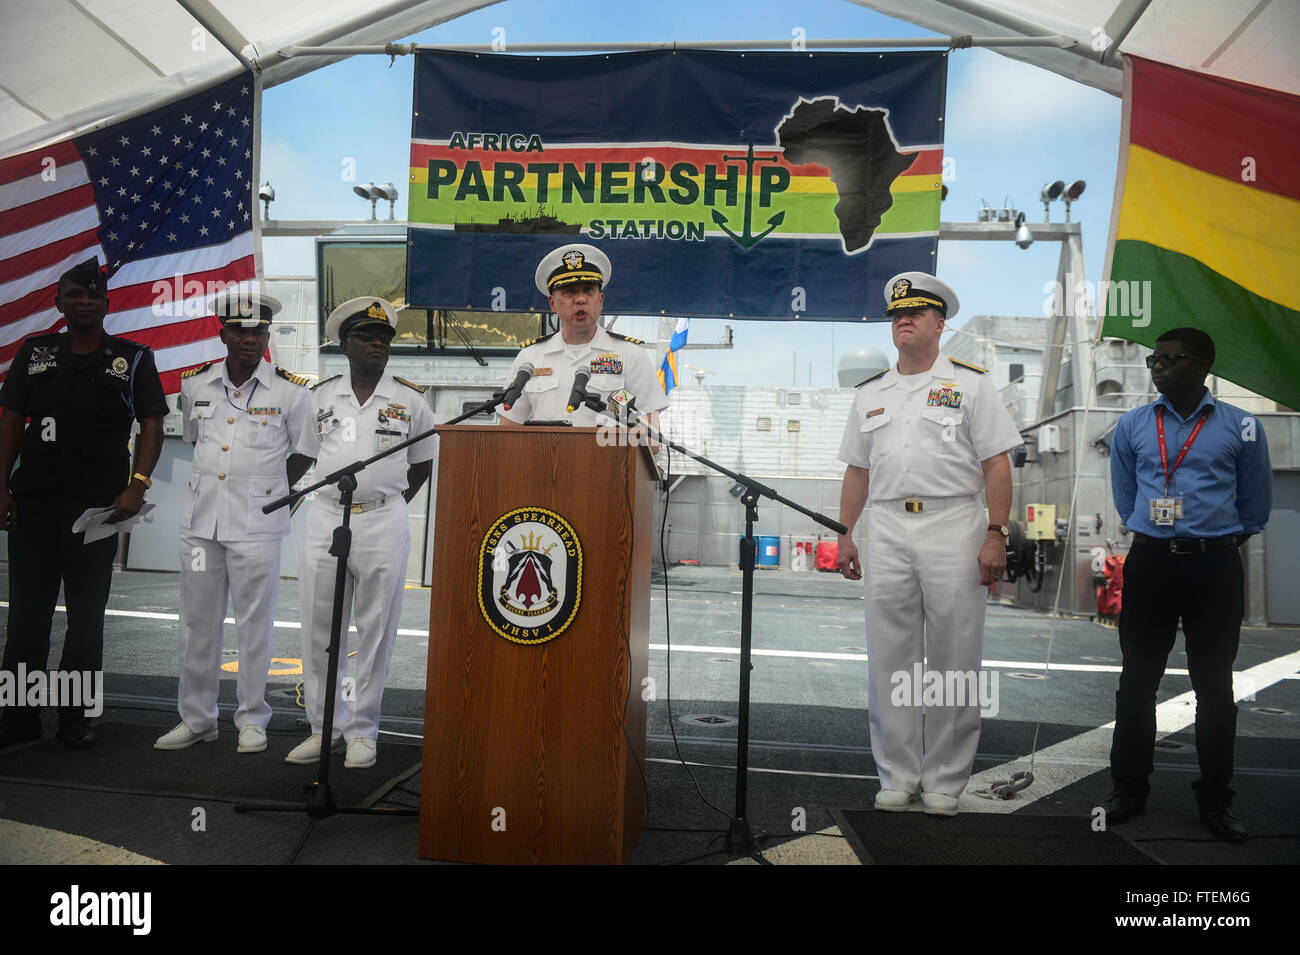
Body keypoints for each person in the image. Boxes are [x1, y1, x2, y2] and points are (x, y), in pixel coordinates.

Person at [836, 272, 1021, 815]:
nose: (904, 319)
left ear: (941, 324)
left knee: (953, 660)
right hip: (888, 527)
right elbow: (857, 470)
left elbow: (996, 463)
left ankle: (944, 779)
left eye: (916, 312)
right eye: (897, 313)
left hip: (955, 524)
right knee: (889, 658)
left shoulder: (972, 383)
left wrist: (996, 532)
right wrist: (846, 533)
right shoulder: (871, 392)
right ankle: (897, 773)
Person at [1104, 327, 1271, 843]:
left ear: (1201, 366)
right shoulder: (1132, 425)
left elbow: (1255, 504)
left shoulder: (1242, 426)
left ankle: (1217, 799)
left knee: (1216, 690)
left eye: (1170, 359)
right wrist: (1160, 533)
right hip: (1150, 563)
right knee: (1136, 683)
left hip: (1214, 567)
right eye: (1154, 358)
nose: (1156, 366)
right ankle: (1129, 790)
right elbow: (1126, 495)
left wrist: (1212, 541)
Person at [0, 257, 167, 748]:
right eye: (75, 295)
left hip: (97, 510)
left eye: (93, 295)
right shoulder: (34, 354)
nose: (85, 302)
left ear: (107, 304)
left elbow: (152, 423)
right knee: (27, 615)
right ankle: (18, 717)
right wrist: (1, 487)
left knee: (86, 617)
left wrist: (138, 483)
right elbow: (10, 420)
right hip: (33, 506)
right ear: (59, 303)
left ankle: (75, 717)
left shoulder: (132, 358)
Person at [154, 289, 316, 755]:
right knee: (197, 624)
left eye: (258, 331)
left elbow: (304, 451)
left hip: (258, 524)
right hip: (202, 522)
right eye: (241, 330)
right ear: (222, 333)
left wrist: (274, 497)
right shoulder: (195, 385)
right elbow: (192, 438)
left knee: (254, 624)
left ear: (267, 335)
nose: (250, 338)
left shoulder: (291, 390)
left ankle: (252, 718)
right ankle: (197, 719)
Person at [287, 297, 436, 770]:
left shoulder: (411, 399)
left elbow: (422, 464)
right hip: (326, 516)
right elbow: (304, 458)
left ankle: (363, 731)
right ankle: (323, 727)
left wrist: (384, 505)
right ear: (343, 344)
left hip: (384, 520)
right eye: (367, 337)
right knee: (319, 627)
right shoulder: (320, 396)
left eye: (384, 338)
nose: (378, 344)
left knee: (376, 629)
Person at [497, 244, 667, 433]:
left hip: (608, 459)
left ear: (600, 300)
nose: (580, 299)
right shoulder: (530, 358)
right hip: (543, 461)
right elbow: (507, 430)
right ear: (552, 303)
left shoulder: (630, 355)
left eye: (588, 290)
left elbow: (651, 435)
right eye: (570, 291)